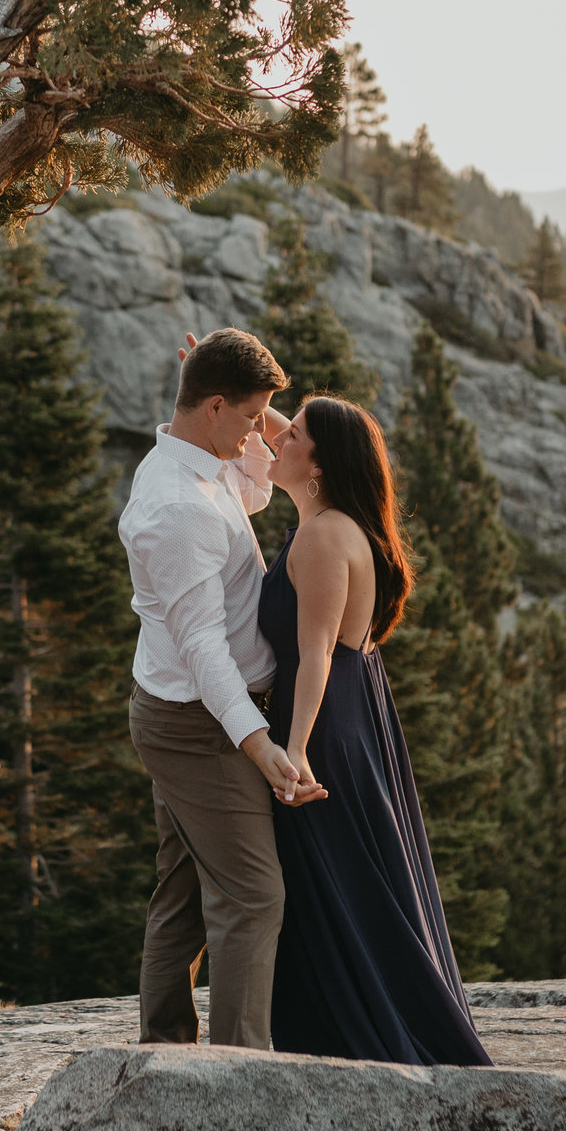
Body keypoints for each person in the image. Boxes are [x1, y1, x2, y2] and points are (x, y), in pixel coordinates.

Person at [260, 396, 491, 1066]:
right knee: (351, 878)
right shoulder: (332, 516)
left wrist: (295, 749)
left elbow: (314, 653)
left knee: (337, 883)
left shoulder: (325, 535)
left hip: (324, 721)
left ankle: (356, 1034)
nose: (276, 438)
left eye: (291, 433)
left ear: (320, 463)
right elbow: (292, 438)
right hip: (353, 710)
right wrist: (249, 393)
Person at [119, 328, 324, 1051]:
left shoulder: (204, 462)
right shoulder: (178, 508)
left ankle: (165, 1051)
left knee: (181, 893)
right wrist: (259, 743)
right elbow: (204, 646)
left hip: (186, 711)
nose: (261, 433)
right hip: (197, 725)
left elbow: (258, 483)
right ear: (211, 408)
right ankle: (241, 1072)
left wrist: (251, 401)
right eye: (250, 416)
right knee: (252, 894)